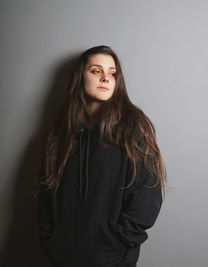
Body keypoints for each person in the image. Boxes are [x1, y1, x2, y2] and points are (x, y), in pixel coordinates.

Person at [31, 45, 167, 267]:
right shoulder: (60, 134)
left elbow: (148, 194)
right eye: (96, 71)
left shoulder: (131, 127)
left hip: (113, 259)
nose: (105, 78)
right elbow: (45, 195)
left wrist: (119, 243)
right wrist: (51, 241)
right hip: (64, 258)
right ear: (80, 76)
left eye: (112, 73)